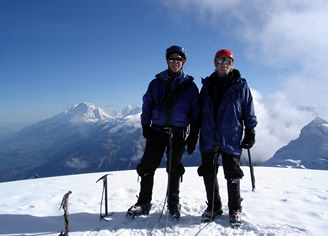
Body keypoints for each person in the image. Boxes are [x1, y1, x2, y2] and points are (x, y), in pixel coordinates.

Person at [127, 45, 200, 220]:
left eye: (179, 59)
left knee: (174, 169)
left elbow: (196, 112)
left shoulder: (190, 87)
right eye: (172, 59)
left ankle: (173, 205)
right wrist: (145, 126)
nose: (175, 62)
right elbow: (147, 104)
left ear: (184, 62)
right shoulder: (156, 83)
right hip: (156, 131)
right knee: (146, 167)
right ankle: (144, 203)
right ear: (167, 61)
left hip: (178, 133)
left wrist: (193, 135)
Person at [198, 49, 257, 225]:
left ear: (232, 63)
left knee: (232, 173)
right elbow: (199, 110)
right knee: (208, 172)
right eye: (220, 60)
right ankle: (214, 206)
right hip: (209, 135)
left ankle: (235, 209)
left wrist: (250, 130)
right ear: (215, 63)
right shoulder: (207, 85)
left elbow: (248, 109)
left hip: (230, 136)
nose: (223, 63)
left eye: (227, 60)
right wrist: (193, 132)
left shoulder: (240, 86)